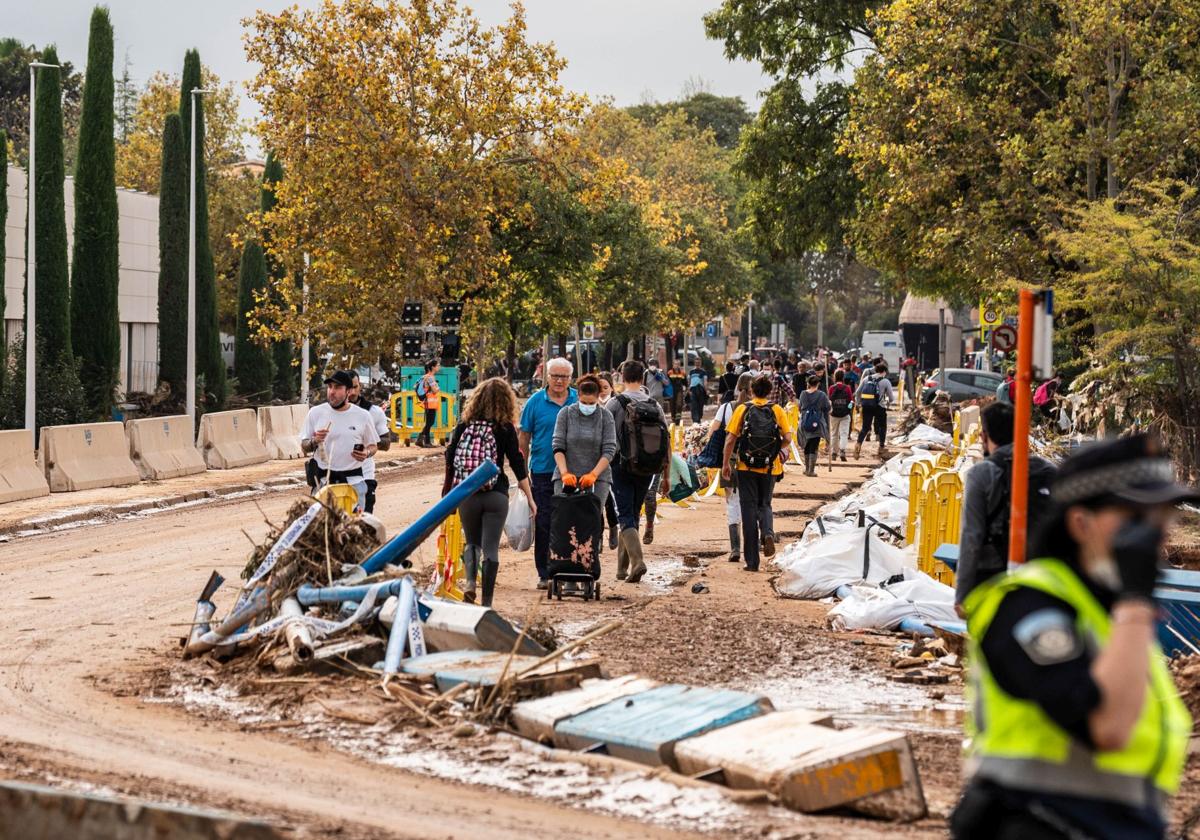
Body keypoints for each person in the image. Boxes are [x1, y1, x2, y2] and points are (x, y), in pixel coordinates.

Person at [951, 434, 1195, 840]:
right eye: (1137, 518)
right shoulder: (1030, 605)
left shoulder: (1102, 608)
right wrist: (1136, 604)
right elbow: (1110, 729)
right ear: (1080, 523)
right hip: (1036, 824)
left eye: (1162, 519)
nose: (1156, 536)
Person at [954, 402, 1057, 613]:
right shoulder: (1048, 470)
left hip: (992, 576)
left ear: (984, 436)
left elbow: (971, 536)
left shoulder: (981, 474)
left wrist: (962, 594)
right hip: (1041, 575)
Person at [442, 378, 535, 606]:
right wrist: (530, 499)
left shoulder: (464, 426)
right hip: (497, 494)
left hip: (469, 494)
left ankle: (471, 583)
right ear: (506, 402)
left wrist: (449, 491)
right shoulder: (505, 428)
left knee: (472, 542)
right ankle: (487, 601)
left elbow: (450, 458)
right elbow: (517, 463)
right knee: (491, 546)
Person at [606, 360, 671, 582]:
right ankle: (621, 569)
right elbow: (667, 440)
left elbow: (605, 438)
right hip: (648, 467)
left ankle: (637, 562)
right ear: (643, 379)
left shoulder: (614, 404)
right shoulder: (655, 404)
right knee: (633, 514)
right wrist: (666, 473)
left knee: (623, 514)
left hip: (620, 466)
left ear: (622, 377)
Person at [721, 375, 793, 572]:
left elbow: (730, 439)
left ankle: (752, 562)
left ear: (751, 391)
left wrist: (726, 463)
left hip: (746, 467)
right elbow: (788, 437)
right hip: (771, 467)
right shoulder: (777, 410)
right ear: (769, 392)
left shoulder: (743, 409)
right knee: (765, 504)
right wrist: (779, 450)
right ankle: (768, 533)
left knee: (748, 510)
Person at [550, 374, 617, 580]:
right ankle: (564, 566)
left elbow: (609, 449)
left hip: (598, 477)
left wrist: (594, 474)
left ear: (598, 398)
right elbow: (558, 445)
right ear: (577, 396)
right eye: (583, 402)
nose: (587, 406)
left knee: (590, 522)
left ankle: (588, 565)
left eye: (592, 403)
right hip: (567, 474)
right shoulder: (566, 414)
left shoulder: (605, 417)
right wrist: (564, 473)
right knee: (565, 523)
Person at [518, 357, 577, 589]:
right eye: (555, 376)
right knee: (543, 522)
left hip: (573, 473)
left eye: (563, 376)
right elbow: (524, 436)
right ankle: (545, 573)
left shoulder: (577, 400)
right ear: (547, 377)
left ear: (570, 379)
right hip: (542, 470)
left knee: (570, 523)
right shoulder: (534, 402)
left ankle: (568, 570)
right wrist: (522, 468)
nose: (559, 381)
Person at [301, 370, 380, 509]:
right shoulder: (316, 413)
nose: (332, 391)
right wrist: (314, 441)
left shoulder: (363, 415)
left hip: (354, 483)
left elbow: (373, 446)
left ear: (348, 391)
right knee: (323, 528)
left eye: (337, 388)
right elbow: (304, 445)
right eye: (330, 387)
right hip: (324, 483)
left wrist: (366, 453)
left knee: (353, 528)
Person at [708, 373, 753, 564]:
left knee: (732, 502)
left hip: (731, 461)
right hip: (754, 463)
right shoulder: (760, 408)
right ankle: (753, 545)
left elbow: (713, 430)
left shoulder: (727, 407)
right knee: (753, 503)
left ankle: (735, 548)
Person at [349, 373, 393, 514]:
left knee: (365, 521)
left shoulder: (373, 412)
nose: (353, 392)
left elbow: (386, 443)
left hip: (365, 475)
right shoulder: (328, 413)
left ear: (360, 387)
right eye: (349, 388)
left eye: (355, 387)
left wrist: (368, 441)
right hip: (338, 477)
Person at [598, 374, 620, 549]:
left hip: (613, 458)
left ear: (611, 388)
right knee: (595, 498)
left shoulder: (616, 406)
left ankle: (613, 526)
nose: (602, 392)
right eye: (598, 388)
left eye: (605, 388)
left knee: (608, 497)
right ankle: (596, 535)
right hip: (592, 458)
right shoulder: (589, 406)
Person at [854, 362, 895, 460]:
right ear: (884, 372)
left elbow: (857, 392)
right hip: (879, 407)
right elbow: (892, 398)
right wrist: (888, 402)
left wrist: (859, 403)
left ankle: (858, 444)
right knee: (882, 426)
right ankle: (881, 447)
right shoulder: (885, 381)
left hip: (867, 406)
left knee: (865, 427)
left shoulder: (866, 379)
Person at [796, 375, 831, 476]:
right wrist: (829, 403)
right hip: (817, 424)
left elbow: (800, 407)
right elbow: (827, 408)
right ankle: (811, 470)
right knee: (814, 446)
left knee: (806, 446)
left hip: (804, 423)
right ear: (818, 384)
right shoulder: (822, 395)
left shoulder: (803, 394)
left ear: (808, 384)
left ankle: (807, 469)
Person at [827, 370, 855, 463]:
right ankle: (842, 450)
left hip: (834, 415)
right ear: (843, 377)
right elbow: (851, 401)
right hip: (845, 415)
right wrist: (849, 409)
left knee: (834, 434)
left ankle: (834, 453)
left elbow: (829, 401)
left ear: (835, 377)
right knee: (844, 434)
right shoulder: (847, 388)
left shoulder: (831, 388)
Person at [415, 360, 441, 448]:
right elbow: (434, 390)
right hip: (430, 403)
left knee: (429, 422)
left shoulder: (425, 377)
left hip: (428, 402)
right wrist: (438, 388)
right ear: (433, 367)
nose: (439, 367)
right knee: (430, 422)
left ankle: (420, 439)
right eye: (437, 365)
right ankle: (426, 442)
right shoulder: (430, 377)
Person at [665, 359, 687, 425]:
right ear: (673, 365)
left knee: (679, 404)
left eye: (678, 364)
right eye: (675, 364)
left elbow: (685, 383)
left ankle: (678, 419)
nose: (677, 365)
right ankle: (673, 418)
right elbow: (666, 382)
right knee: (672, 405)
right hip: (671, 391)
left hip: (679, 390)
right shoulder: (670, 372)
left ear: (679, 365)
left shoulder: (682, 373)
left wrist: (686, 388)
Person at [688, 358, 709, 424]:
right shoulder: (691, 372)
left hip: (701, 390)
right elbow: (689, 382)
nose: (697, 364)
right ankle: (695, 421)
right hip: (693, 390)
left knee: (700, 405)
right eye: (696, 362)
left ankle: (698, 418)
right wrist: (688, 390)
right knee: (694, 406)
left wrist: (706, 390)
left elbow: (705, 382)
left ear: (700, 363)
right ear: (694, 363)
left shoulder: (703, 372)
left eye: (698, 362)